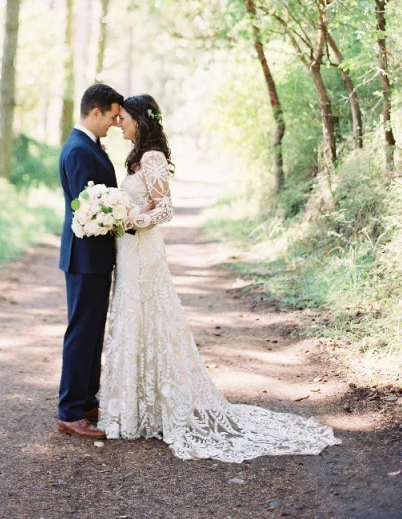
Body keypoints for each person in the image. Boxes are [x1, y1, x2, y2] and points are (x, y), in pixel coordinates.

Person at [98, 94, 341, 461]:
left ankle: (157, 408)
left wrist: (129, 219)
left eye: (125, 119)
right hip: (129, 253)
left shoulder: (152, 157)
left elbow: (165, 210)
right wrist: (125, 214)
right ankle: (137, 408)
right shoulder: (137, 157)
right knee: (134, 319)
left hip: (144, 253)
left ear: (140, 121)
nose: (120, 124)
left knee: (152, 319)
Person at [57, 83, 124, 439]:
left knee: (93, 331)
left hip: (93, 257)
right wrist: (122, 214)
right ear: (94, 112)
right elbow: (89, 209)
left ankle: (85, 400)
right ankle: (69, 411)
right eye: (113, 116)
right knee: (81, 332)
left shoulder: (88, 145)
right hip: (85, 257)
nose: (116, 123)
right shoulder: (80, 150)